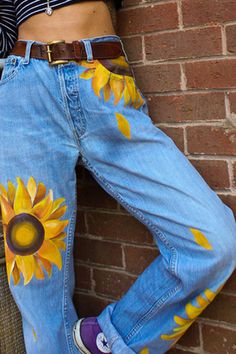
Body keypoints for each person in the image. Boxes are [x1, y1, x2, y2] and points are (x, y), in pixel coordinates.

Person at [0, 1, 235, 354]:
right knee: (39, 297)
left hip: (103, 81)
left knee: (215, 241)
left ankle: (108, 338)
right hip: (25, 89)